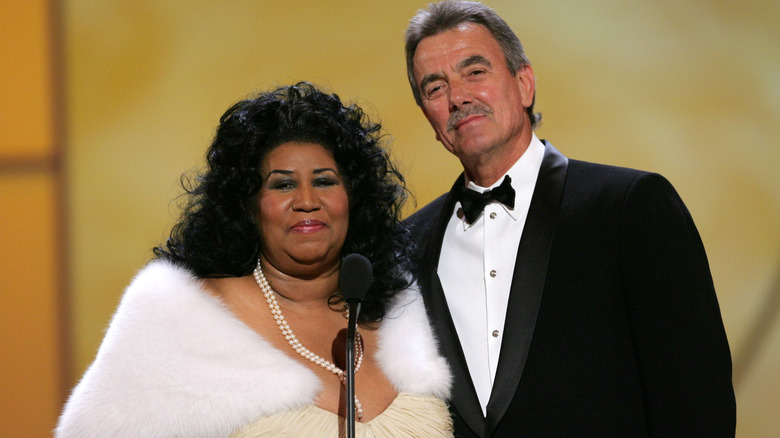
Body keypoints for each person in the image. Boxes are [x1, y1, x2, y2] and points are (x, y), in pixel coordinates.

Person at [403, 1, 736, 437]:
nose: (458, 97)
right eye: (435, 87)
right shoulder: (406, 246)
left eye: (475, 72)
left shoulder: (630, 208)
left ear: (524, 84)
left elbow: (696, 401)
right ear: (428, 116)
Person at [55, 82, 453, 437]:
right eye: (282, 184)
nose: (307, 201)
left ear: (353, 198)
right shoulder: (179, 316)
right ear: (247, 205)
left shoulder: (403, 308)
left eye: (324, 181)